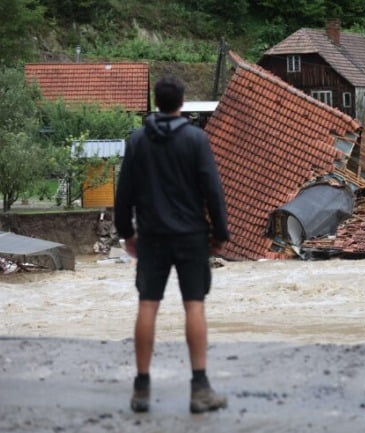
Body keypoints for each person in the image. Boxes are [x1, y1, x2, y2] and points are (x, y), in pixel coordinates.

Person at [114, 75, 229, 414]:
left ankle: (142, 389)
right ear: (181, 102)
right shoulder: (196, 139)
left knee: (147, 305)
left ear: (155, 101)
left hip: (151, 236)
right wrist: (220, 234)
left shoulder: (137, 141)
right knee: (194, 305)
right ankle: (199, 388)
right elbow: (212, 189)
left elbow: (124, 195)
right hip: (191, 236)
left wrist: (127, 234)